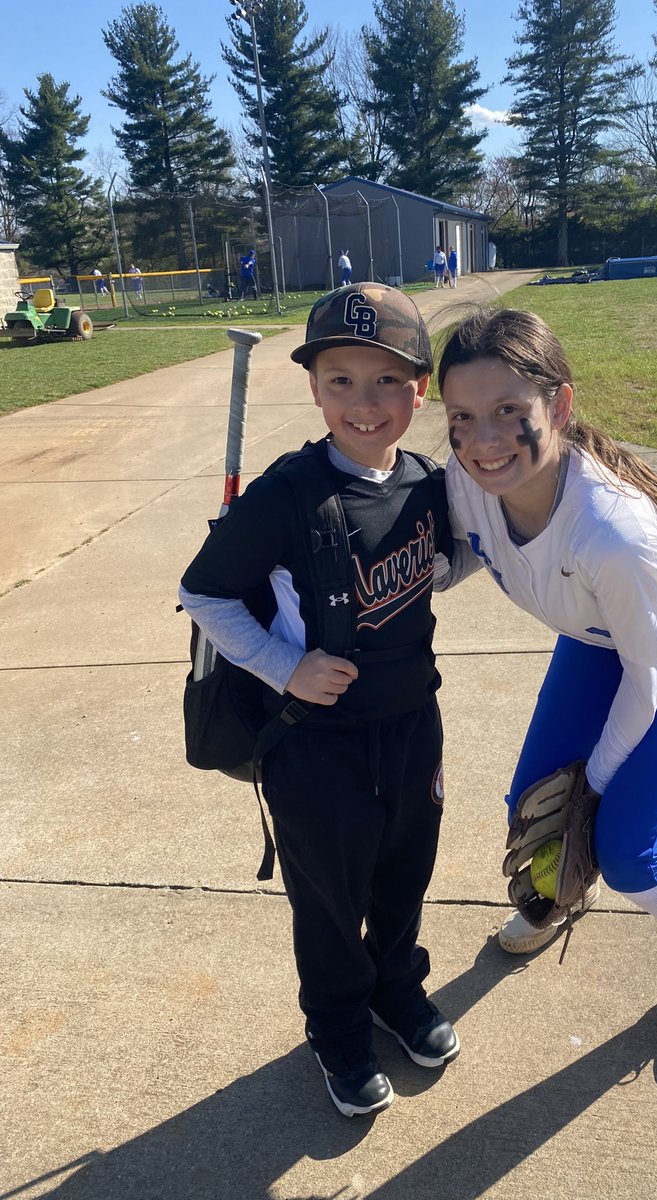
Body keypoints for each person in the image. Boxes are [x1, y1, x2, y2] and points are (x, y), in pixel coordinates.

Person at [438, 308, 657, 1058]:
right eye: (462, 416)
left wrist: (594, 784)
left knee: (622, 845)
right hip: (599, 632)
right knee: (534, 807)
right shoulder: (467, 481)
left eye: (507, 413)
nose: (483, 440)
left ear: (558, 405)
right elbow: (459, 555)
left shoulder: (613, 533)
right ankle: (558, 892)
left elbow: (646, 678)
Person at [180, 284, 463, 1118]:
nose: (363, 403)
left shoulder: (427, 484)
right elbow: (205, 592)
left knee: (404, 876)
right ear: (313, 388)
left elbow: (448, 564)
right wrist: (282, 666)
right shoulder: (285, 492)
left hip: (412, 724)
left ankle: (395, 991)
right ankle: (337, 1023)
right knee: (331, 898)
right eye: (340, 380)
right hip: (314, 740)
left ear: (419, 392)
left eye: (385, 383)